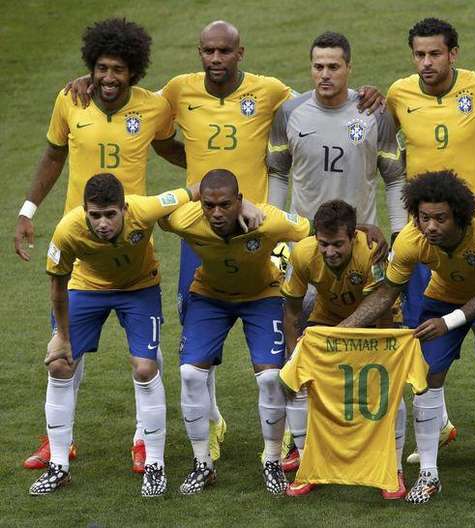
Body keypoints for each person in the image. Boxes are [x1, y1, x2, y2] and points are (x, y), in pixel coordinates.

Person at [65, 23, 386, 462]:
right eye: (208, 51)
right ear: (199, 52)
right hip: (203, 229)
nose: (215, 59)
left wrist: (361, 94)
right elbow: (132, 106)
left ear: (240, 52)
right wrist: (93, 81)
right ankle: (212, 422)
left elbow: (317, 103)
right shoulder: (178, 91)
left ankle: (295, 437)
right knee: (198, 330)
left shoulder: (270, 91)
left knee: (282, 333)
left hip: (258, 229)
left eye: (224, 51)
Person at [14, 17, 186, 475]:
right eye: (101, 68)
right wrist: (28, 211)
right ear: (91, 66)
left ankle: (142, 438)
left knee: (144, 353)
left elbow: (173, 149)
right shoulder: (70, 100)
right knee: (65, 349)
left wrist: (225, 170)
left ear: (135, 71)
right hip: (82, 246)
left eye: (119, 70)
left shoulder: (154, 108)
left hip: (132, 244)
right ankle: (58, 444)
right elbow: (53, 154)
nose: (109, 78)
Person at [340, 171, 475, 505]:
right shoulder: (411, 240)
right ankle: (428, 475)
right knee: (426, 377)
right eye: (424, 218)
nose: (431, 227)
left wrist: (449, 322)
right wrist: (343, 328)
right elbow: (386, 294)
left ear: (459, 215)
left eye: (440, 218)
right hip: (442, 297)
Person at [386, 16, 475, 467]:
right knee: (427, 335)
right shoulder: (398, 94)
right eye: (419, 54)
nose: (426, 63)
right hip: (427, 237)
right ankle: (436, 427)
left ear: (453, 54)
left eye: (435, 54)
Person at [29, 174, 199, 497]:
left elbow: (194, 190)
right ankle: (59, 466)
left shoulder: (145, 209)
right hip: (87, 287)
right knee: (60, 365)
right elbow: (57, 287)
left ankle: (154, 465)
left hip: (139, 289)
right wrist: (61, 336)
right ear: (84, 211)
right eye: (95, 215)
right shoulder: (68, 230)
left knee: (146, 368)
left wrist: (244, 204)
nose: (103, 223)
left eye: (110, 214)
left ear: (124, 208)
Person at [158, 169, 311, 496]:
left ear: (239, 201)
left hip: (262, 295)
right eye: (209, 205)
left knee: (271, 378)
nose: (215, 213)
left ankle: (271, 461)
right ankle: (202, 464)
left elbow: (307, 230)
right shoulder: (188, 219)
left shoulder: (267, 219)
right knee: (189, 373)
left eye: (225, 205)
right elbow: (160, 216)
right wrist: (190, 192)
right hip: (210, 296)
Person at [280, 199, 406, 499]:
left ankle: (395, 470)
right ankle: (306, 463)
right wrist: (292, 350)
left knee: (387, 388)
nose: (330, 252)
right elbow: (292, 309)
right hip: (327, 319)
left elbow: (382, 306)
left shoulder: (372, 253)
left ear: (353, 237)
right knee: (296, 382)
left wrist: (383, 351)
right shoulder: (302, 254)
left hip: (377, 323)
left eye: (337, 244)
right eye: (323, 244)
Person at [267, 31, 405, 242]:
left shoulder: (374, 113)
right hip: (304, 242)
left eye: (333, 67)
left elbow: (394, 178)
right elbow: (278, 173)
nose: (324, 74)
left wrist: (398, 233)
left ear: (349, 68)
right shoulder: (289, 113)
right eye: (318, 67)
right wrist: (272, 230)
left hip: (360, 239)